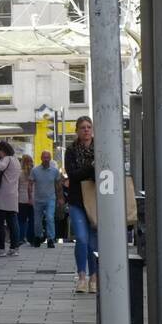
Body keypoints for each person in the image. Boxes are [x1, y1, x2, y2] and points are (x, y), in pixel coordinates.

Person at [64, 116, 99, 292]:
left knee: (94, 243)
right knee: (82, 239)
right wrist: (91, 167)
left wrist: (86, 171)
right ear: (77, 131)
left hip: (95, 200)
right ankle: (82, 276)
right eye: (82, 127)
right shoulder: (71, 150)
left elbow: (103, 173)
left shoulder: (101, 148)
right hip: (77, 200)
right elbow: (72, 174)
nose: (86, 130)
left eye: (88, 127)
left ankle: (94, 278)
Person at [0, 141, 22, 256]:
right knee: (13, 222)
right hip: (13, 195)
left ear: (3, 150)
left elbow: (0, 167)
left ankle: (1, 248)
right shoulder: (16, 161)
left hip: (3, 194)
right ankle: (14, 247)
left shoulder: (7, 159)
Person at [31, 150, 63, 247]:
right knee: (37, 220)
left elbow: (58, 185)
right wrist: (30, 197)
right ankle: (38, 236)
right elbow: (30, 184)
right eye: (44, 157)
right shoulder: (35, 170)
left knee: (50, 218)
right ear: (41, 158)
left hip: (50, 199)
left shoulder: (55, 171)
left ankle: (50, 239)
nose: (46, 159)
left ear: (50, 158)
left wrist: (60, 197)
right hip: (38, 199)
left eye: (47, 157)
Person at [18, 153, 36, 247]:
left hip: (21, 199)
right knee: (32, 220)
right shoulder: (35, 172)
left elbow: (17, 187)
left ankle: (21, 238)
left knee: (21, 220)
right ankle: (32, 238)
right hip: (33, 199)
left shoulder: (19, 173)